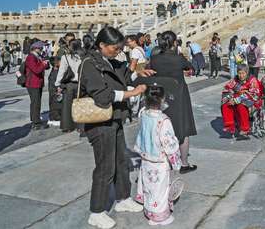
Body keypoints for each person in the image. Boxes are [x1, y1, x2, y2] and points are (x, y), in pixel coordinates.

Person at [80, 26, 151, 229]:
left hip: (114, 117)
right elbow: (103, 96)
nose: (118, 51)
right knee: (105, 167)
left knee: (121, 161)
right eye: (114, 47)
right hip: (99, 122)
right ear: (101, 45)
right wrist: (132, 94)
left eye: (120, 48)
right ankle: (97, 211)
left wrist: (138, 74)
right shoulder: (89, 64)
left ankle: (122, 199)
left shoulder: (108, 60)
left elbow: (123, 79)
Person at [149, 31, 198, 174]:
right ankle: (183, 163)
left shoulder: (155, 59)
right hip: (179, 96)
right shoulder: (178, 58)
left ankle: (163, 161)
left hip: (161, 97)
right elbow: (191, 68)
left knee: (162, 129)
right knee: (183, 129)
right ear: (175, 42)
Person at [134, 84, 182, 226]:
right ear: (162, 99)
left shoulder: (143, 113)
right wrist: (176, 162)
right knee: (160, 189)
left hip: (146, 158)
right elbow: (169, 143)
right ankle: (160, 216)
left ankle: (149, 212)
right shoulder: (163, 120)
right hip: (160, 161)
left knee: (149, 187)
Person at [221, 64, 261, 140]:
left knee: (241, 106)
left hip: (251, 100)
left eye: (243, 73)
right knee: (225, 104)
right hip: (236, 98)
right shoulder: (235, 80)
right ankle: (230, 125)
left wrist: (237, 100)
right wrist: (230, 98)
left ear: (247, 73)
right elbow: (227, 88)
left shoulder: (252, 80)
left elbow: (254, 94)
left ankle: (245, 129)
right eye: (239, 73)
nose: (241, 75)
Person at [55, 39, 84, 133]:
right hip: (81, 83)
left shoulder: (65, 57)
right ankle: (81, 126)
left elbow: (62, 71)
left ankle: (67, 126)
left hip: (69, 84)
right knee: (80, 105)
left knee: (67, 106)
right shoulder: (83, 56)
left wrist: (57, 84)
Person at [25, 40, 50, 130]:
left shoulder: (38, 56)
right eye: (40, 48)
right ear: (35, 48)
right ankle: (36, 123)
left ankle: (34, 120)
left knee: (35, 103)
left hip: (38, 83)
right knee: (36, 103)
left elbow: (45, 67)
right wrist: (43, 64)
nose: (41, 49)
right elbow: (36, 70)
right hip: (33, 84)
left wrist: (46, 62)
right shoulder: (31, 57)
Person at [47, 56, 62, 126]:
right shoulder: (55, 73)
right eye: (60, 61)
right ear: (56, 64)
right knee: (56, 104)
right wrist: (58, 88)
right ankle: (56, 118)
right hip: (55, 92)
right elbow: (56, 83)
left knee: (53, 104)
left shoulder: (54, 71)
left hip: (52, 91)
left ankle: (52, 117)